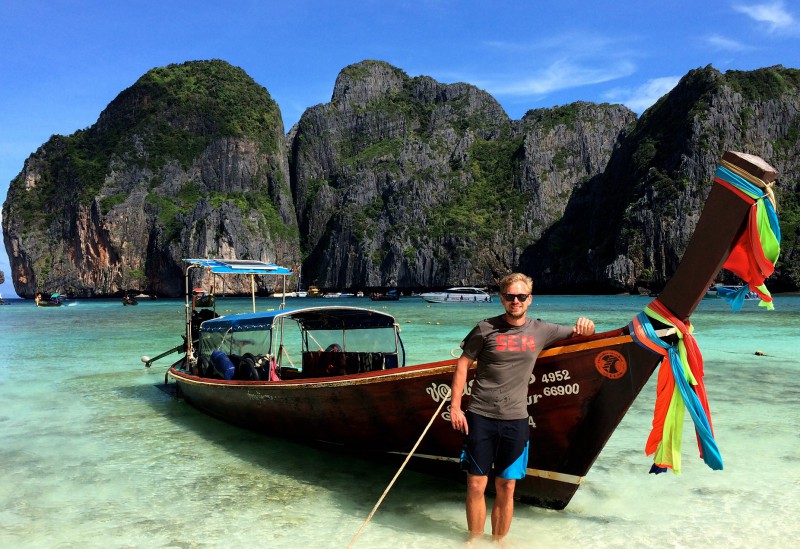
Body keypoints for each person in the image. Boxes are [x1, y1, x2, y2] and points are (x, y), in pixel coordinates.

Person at [450, 272, 595, 540]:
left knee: (506, 486)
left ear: (530, 299)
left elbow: (579, 333)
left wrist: (588, 326)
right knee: (475, 484)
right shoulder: (485, 328)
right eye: (510, 296)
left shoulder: (542, 330)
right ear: (502, 299)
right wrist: (455, 407)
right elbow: (462, 365)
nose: (515, 301)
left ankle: (498, 542)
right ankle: (473, 541)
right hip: (480, 416)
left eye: (521, 296)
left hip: (516, 419)